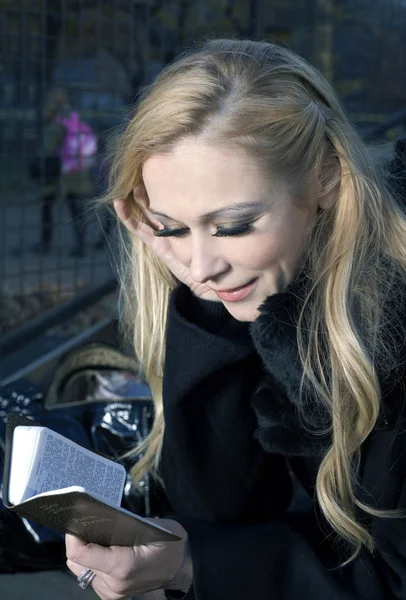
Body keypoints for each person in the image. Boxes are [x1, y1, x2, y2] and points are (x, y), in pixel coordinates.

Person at [65, 39, 406, 599]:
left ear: (325, 177)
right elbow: (223, 508)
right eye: (172, 227)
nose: (201, 264)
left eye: (233, 225)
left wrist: (190, 565)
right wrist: (206, 304)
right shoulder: (253, 286)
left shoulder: (388, 320)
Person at [31, 88, 96, 257]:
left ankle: (46, 243)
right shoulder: (73, 119)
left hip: (56, 172)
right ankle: (80, 245)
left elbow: (48, 149)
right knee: (76, 208)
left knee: (47, 206)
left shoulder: (54, 124)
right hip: (76, 171)